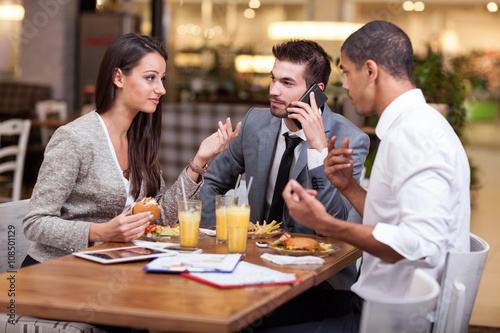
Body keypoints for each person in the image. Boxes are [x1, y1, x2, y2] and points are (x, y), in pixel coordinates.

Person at [275, 20, 470, 332]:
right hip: (375, 301)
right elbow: (397, 219)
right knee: (265, 309)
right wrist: (349, 187)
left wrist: (327, 224)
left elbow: (421, 243)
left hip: (392, 317)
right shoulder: (412, 125)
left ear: (370, 71)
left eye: (347, 73)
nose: (346, 86)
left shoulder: (415, 134)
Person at [22, 33, 241, 267]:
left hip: (111, 266)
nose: (161, 89)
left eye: (162, 79)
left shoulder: (139, 139)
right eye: (150, 78)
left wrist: (199, 160)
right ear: (118, 77)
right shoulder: (75, 138)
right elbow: (35, 223)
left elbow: (161, 217)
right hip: (59, 270)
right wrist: (100, 231)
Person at [199, 39, 369, 237]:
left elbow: (334, 220)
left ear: (316, 91)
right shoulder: (254, 123)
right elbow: (213, 181)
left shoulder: (350, 140)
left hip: (316, 260)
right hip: (255, 256)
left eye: (287, 83)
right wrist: (213, 235)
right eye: (273, 79)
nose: (273, 91)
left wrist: (319, 150)